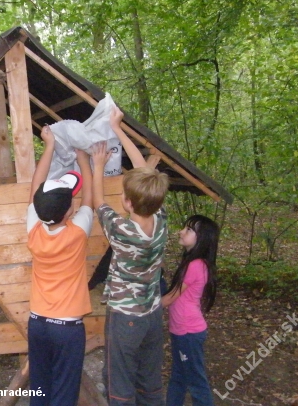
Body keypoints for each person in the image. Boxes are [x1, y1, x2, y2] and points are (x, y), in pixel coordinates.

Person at [91, 106, 170, 406]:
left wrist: (98, 164)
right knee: (149, 382)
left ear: (126, 202)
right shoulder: (160, 218)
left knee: (119, 384)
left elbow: (99, 202)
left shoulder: (122, 230)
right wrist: (118, 128)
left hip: (126, 318)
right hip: (152, 313)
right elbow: (146, 174)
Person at [26, 125, 94, 406]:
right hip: (67, 329)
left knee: (39, 389)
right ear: (69, 210)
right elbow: (89, 196)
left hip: (37, 323)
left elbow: (35, 187)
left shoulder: (34, 229)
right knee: (64, 394)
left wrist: (49, 145)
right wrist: (84, 160)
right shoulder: (77, 233)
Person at [161, 215, 220, 406]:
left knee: (196, 381)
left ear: (201, 238)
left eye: (188, 230)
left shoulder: (195, 265)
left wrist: (142, 305)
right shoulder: (192, 263)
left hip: (188, 331)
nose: (181, 231)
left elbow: (170, 298)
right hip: (182, 331)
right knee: (178, 377)